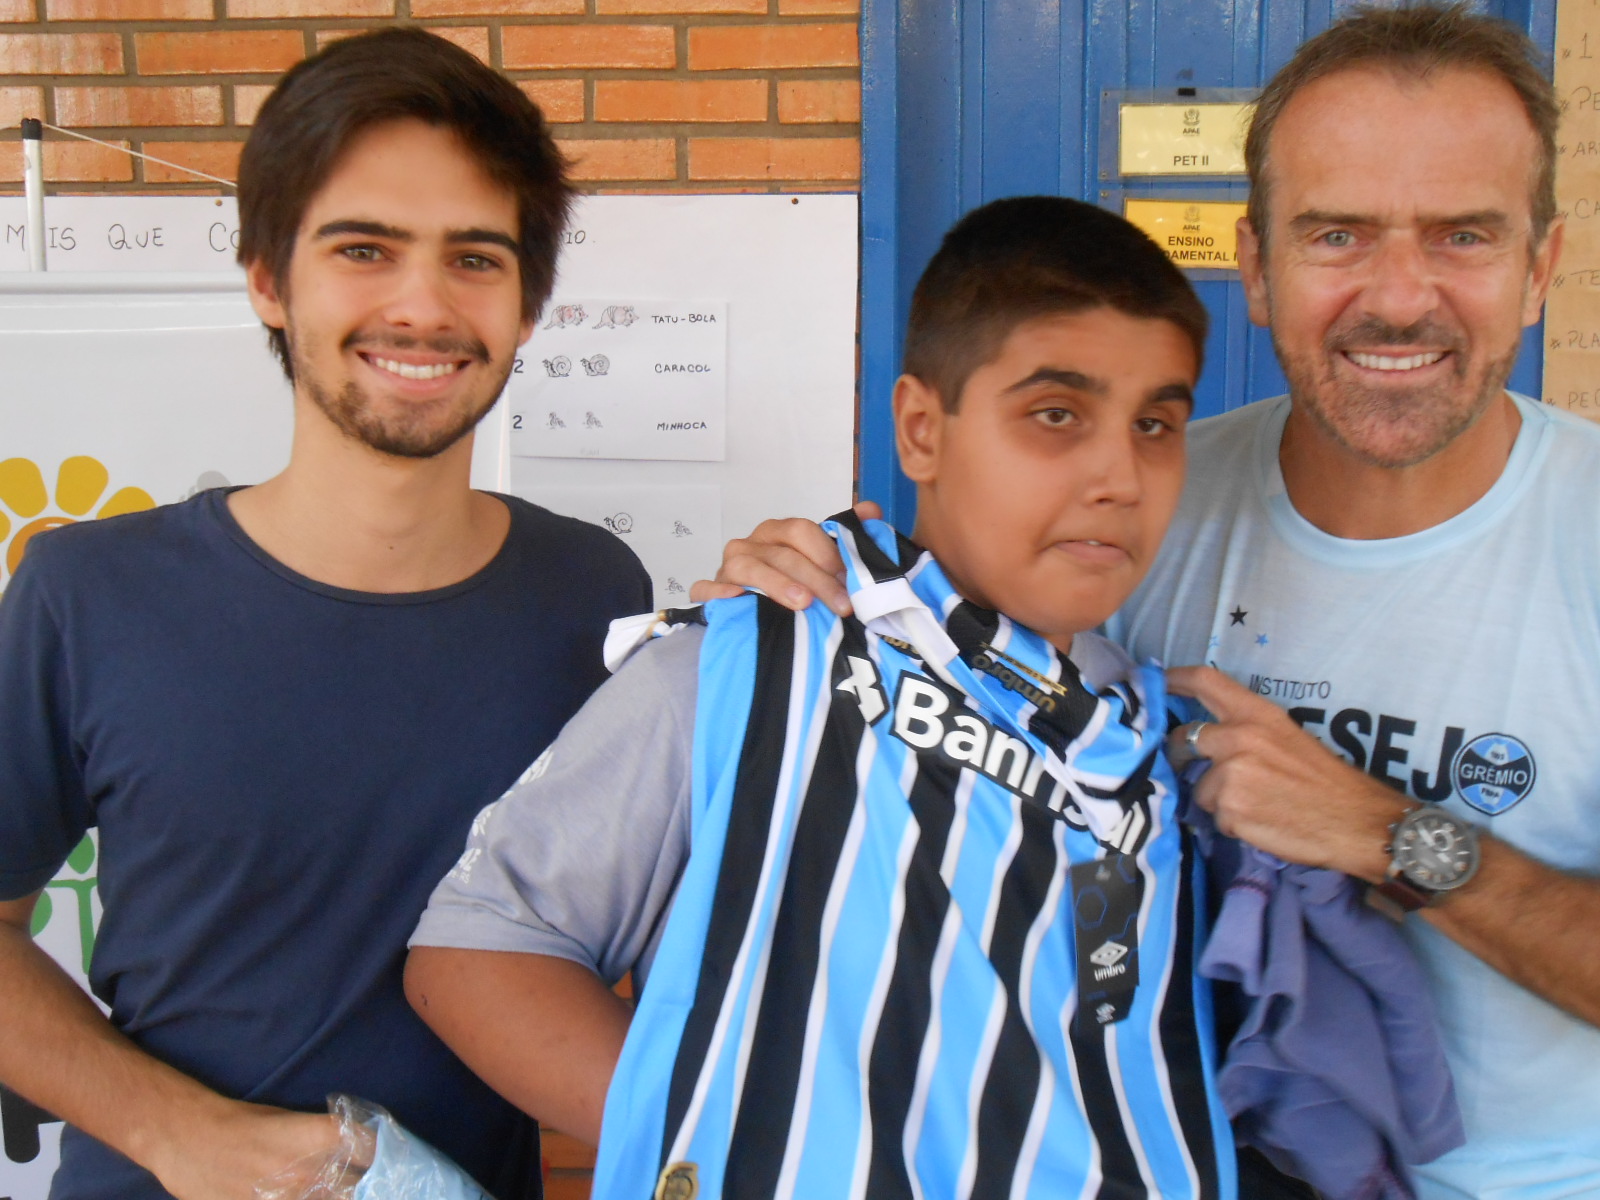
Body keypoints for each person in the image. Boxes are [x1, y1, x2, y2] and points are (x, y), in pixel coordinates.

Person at [712, 6, 1600, 1197]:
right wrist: (790, 595)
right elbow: (910, 706)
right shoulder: (1131, 501)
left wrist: (1392, 838)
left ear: (1539, 269)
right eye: (1336, 234)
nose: (1398, 297)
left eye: (1462, 237)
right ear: (1256, 265)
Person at [405, 196, 1237, 1199]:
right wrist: (743, 1136)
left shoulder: (1156, 744)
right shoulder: (755, 660)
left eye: (1156, 424)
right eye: (1054, 415)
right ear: (921, 430)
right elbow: (478, 949)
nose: (1118, 475)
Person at [0, 28, 649, 1200]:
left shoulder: (594, 597)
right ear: (266, 276)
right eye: (363, 248)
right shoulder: (86, 595)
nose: (421, 305)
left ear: (528, 303)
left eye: (475, 258)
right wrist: (179, 1134)